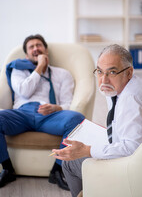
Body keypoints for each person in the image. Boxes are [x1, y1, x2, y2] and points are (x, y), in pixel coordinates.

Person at [52, 44, 142, 197]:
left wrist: (87, 150)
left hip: (137, 170)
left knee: (69, 164)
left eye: (112, 72)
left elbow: (132, 147)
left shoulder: (131, 99)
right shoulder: (124, 87)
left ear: (129, 72)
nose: (104, 80)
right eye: (100, 71)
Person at [0, 34, 85, 190]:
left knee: (78, 119)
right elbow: (24, 92)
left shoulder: (63, 74)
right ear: (26, 55)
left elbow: (68, 103)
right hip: (21, 114)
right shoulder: (18, 71)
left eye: (39, 45)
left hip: (50, 115)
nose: (36, 49)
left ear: (46, 50)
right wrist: (39, 67)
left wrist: (57, 108)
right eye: (31, 47)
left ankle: (57, 170)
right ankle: (7, 168)